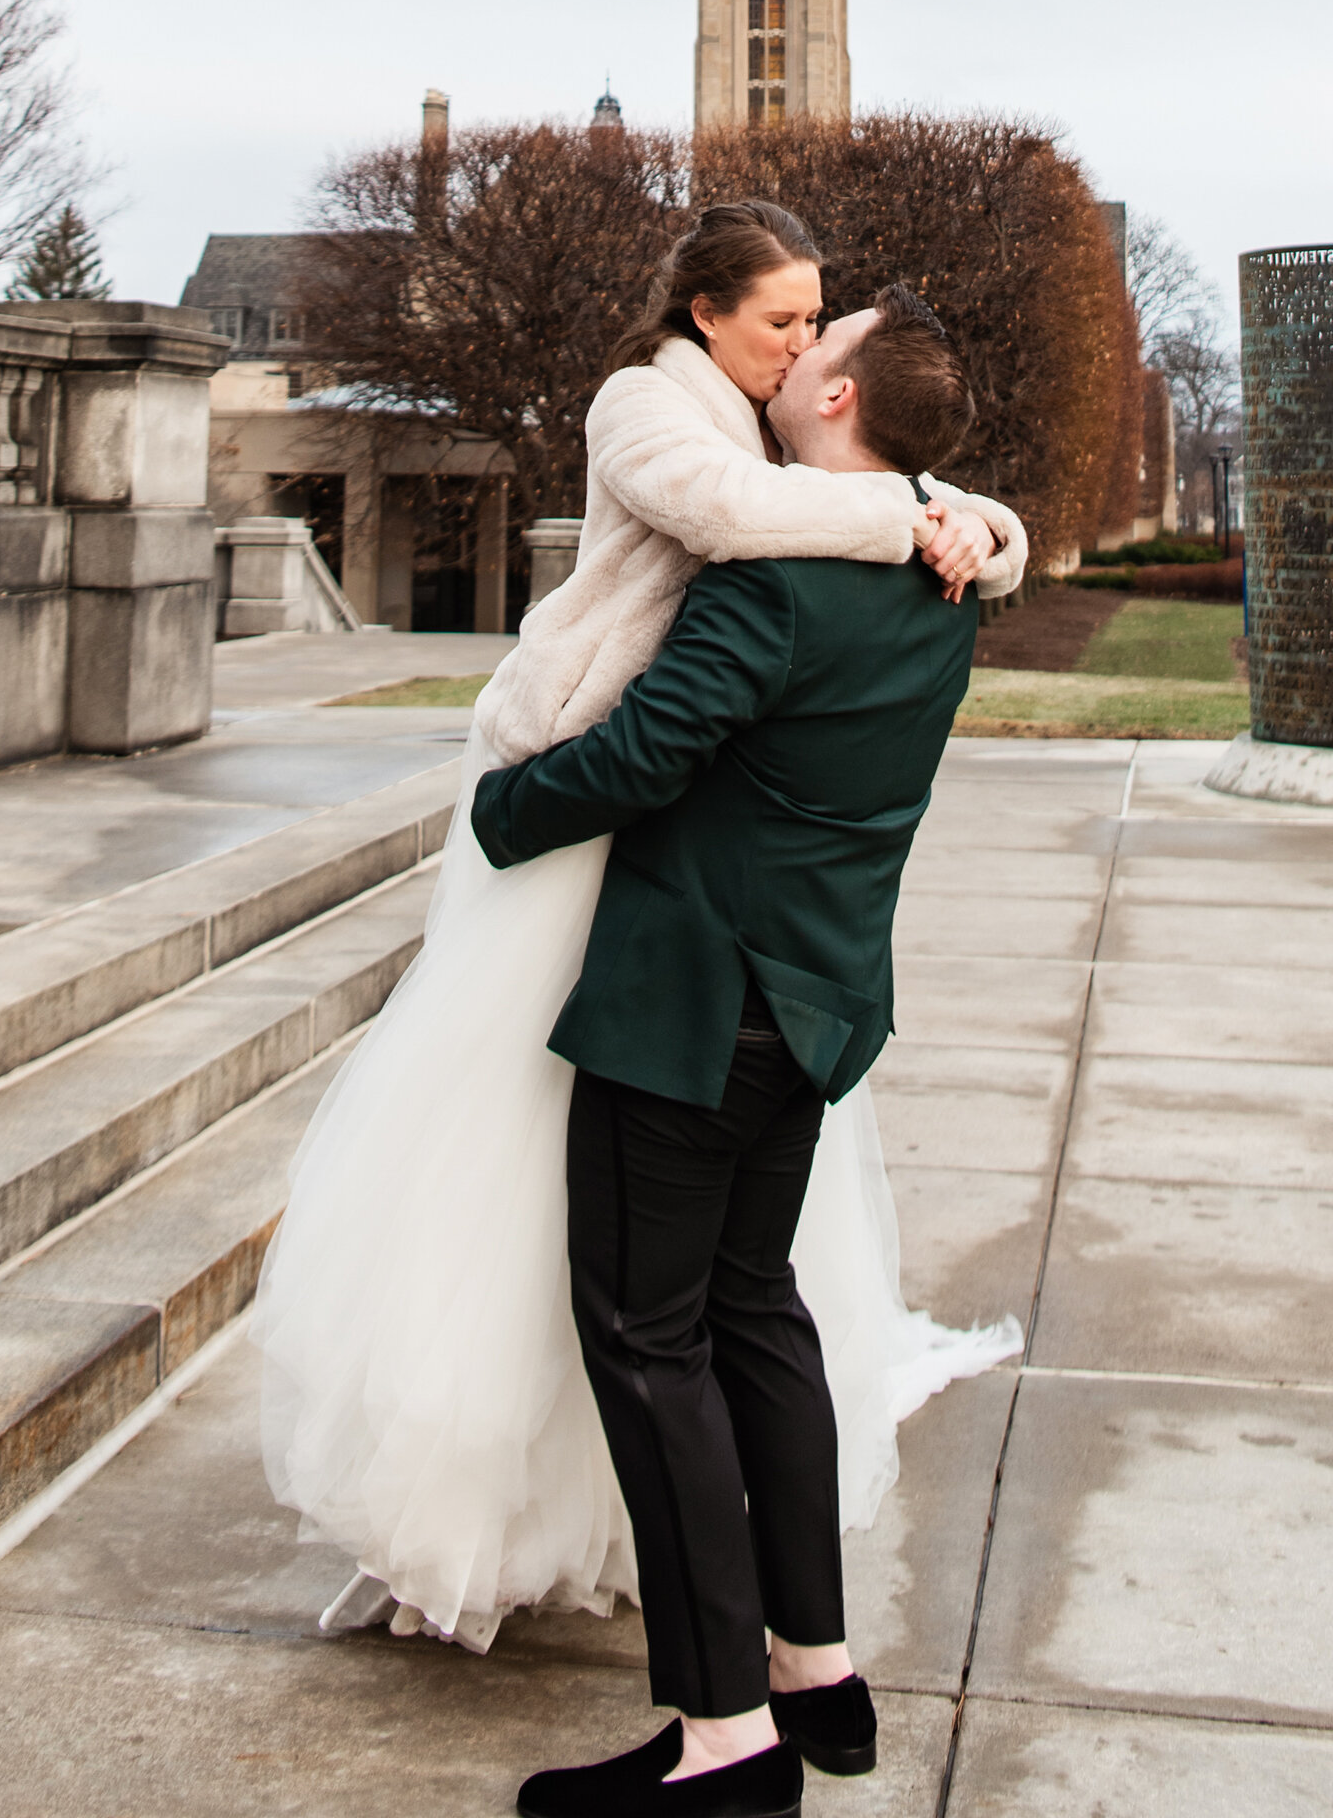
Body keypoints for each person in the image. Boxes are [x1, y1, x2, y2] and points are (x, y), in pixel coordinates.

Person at [251, 202, 1026, 1659]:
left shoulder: (785, 482)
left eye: (817, 325)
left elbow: (793, 561)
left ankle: (703, 1658)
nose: (799, 339)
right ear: (707, 310)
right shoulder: (649, 407)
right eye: (784, 316)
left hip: (675, 883)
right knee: (605, 1228)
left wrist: (976, 519)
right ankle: (758, 1644)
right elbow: (742, 517)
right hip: (681, 871)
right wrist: (926, 516)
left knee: (659, 1293)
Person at [475, 286, 985, 1818]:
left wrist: (497, 813)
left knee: (649, 1340)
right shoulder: (948, 573)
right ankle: (814, 1668)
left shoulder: (774, 585)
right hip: (818, 1007)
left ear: (836, 404)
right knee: (755, 1314)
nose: (790, 356)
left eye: (814, 348)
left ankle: (720, 1739)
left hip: (696, 1008)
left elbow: (646, 753)